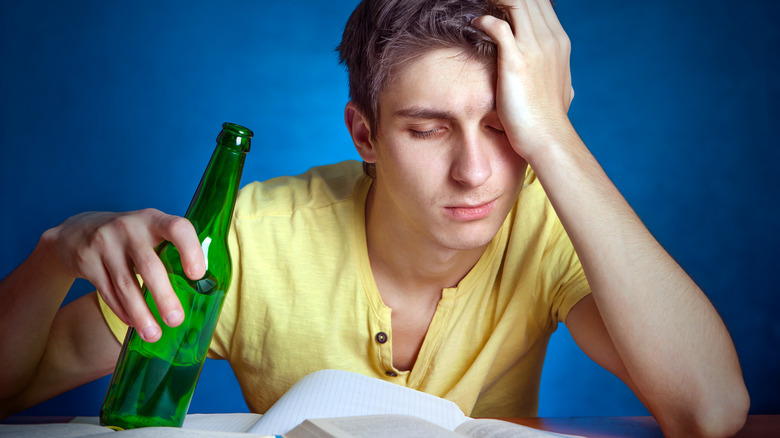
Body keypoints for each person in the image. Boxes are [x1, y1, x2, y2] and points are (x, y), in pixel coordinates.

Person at [0, 0, 749, 436]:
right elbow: (13, 389)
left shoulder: (544, 224)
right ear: (364, 134)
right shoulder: (249, 241)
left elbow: (709, 411)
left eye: (503, 127)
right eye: (428, 129)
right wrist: (50, 257)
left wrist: (552, 134)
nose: (475, 172)